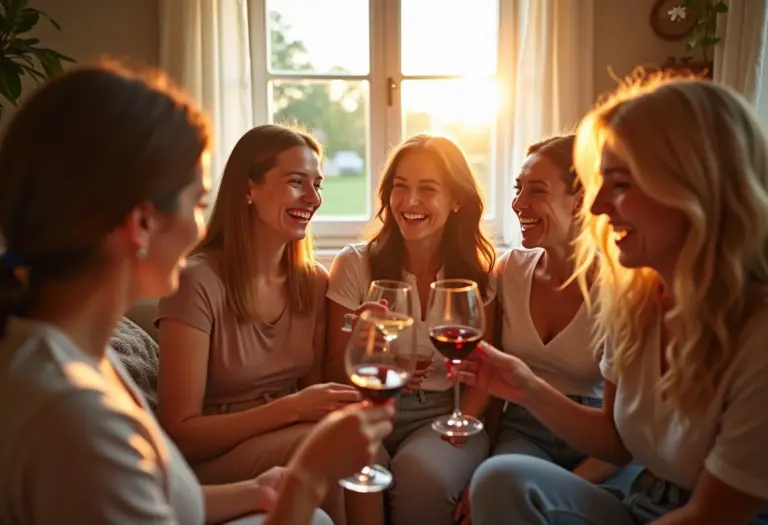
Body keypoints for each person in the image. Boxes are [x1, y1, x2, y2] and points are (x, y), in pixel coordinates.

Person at [0, 63, 393, 525]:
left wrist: (261, 489)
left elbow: (168, 500)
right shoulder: (75, 418)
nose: (199, 229)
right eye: (197, 203)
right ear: (141, 224)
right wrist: (305, 480)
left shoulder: (77, 358)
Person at [454, 76, 768, 524]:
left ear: (694, 186)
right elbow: (616, 441)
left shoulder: (758, 333)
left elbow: (711, 515)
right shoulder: (637, 298)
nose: (597, 205)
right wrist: (525, 385)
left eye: (619, 184)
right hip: (644, 502)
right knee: (500, 479)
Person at [155, 123, 361, 522]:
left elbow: (316, 391)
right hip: (214, 460)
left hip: (290, 435)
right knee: (324, 446)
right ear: (248, 189)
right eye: (296, 182)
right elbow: (180, 432)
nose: (313, 197)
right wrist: (290, 410)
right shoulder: (195, 281)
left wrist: (363, 344)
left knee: (357, 443)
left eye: (317, 184)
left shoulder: (314, 282)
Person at [454, 134, 641, 524]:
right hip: (526, 430)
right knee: (492, 493)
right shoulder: (511, 270)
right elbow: (488, 376)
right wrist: (478, 464)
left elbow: (624, 436)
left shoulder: (624, 285)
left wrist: (555, 490)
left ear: (581, 201)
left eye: (536, 191)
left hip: (601, 445)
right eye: (517, 189)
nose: (518, 204)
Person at [326, 134, 496, 525]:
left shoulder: (477, 275)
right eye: (400, 187)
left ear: (456, 200)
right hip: (366, 409)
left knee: (424, 476)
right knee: (355, 465)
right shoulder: (354, 265)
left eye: (427, 189)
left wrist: (460, 427)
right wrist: (371, 352)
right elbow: (331, 370)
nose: (409, 202)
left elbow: (487, 373)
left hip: (444, 411)